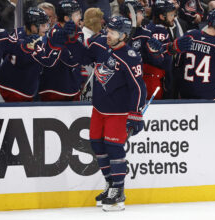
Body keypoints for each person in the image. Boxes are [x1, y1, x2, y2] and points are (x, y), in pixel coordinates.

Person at [86, 16, 146, 211]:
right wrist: (69, 39)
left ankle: (119, 190)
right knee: (97, 144)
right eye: (108, 30)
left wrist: (135, 114)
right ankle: (110, 184)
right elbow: (83, 56)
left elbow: (139, 88)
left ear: (123, 36)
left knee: (114, 148)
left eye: (112, 32)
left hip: (118, 112)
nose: (107, 34)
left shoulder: (130, 56)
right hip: (99, 108)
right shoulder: (100, 44)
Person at [0, 7, 50, 102]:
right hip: (10, 89)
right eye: (42, 25)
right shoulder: (18, 37)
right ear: (32, 25)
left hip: (27, 89)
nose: (45, 28)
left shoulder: (41, 37)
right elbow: (18, 60)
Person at [38, 0, 84, 101]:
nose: (80, 17)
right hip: (54, 89)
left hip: (71, 86)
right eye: (77, 14)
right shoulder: (55, 34)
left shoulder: (78, 31)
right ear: (67, 18)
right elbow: (72, 61)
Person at [120, 0, 166, 100]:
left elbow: (159, 61)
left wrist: (156, 53)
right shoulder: (114, 32)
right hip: (118, 83)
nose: (143, 17)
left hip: (135, 83)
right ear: (131, 15)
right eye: (140, 13)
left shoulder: (146, 34)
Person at [145, 0, 176, 99]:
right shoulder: (160, 30)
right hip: (155, 79)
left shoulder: (150, 26)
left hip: (151, 77)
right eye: (171, 15)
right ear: (162, 17)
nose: (173, 18)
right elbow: (161, 60)